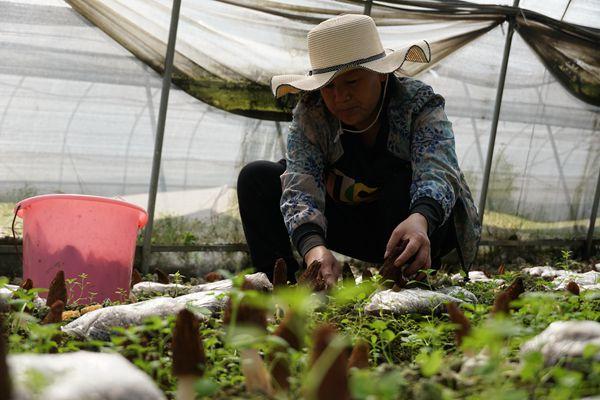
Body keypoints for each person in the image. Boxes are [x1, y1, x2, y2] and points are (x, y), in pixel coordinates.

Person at [237, 14, 481, 286]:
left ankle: (410, 277)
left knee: (404, 181)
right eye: (329, 87)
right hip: (351, 223)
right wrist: (313, 248)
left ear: (379, 75)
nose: (340, 98)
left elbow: (438, 170)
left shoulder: (418, 105)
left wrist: (421, 218)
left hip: (413, 226)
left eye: (352, 82)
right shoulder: (312, 113)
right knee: (256, 177)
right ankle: (284, 284)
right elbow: (300, 182)